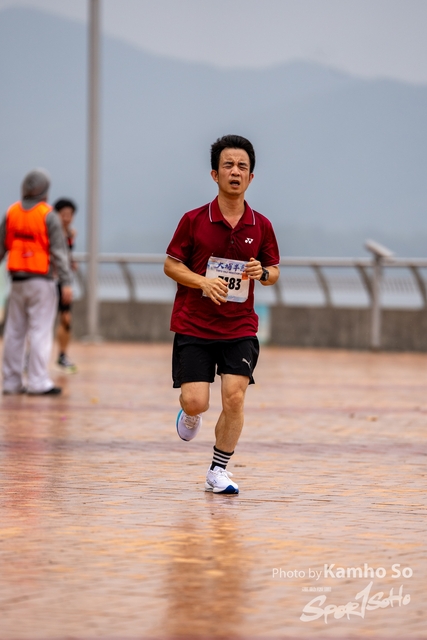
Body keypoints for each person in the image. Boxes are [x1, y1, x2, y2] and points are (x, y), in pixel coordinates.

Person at [164, 134, 280, 494]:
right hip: (194, 325)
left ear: (251, 177)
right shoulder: (194, 220)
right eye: (228, 165)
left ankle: (218, 470)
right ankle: (190, 413)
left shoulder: (261, 225)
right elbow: (171, 265)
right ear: (215, 174)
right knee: (197, 400)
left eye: (242, 166)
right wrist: (202, 282)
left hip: (239, 327)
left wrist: (263, 272)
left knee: (234, 397)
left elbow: (274, 272)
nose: (235, 171)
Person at [0, 169, 73, 395]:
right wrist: (66, 282)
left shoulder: (12, 212)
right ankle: (38, 382)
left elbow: (2, 247)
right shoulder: (48, 215)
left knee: (14, 332)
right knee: (40, 331)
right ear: (45, 192)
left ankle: (11, 382)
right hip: (41, 281)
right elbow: (59, 252)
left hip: (17, 281)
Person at [53, 198, 78, 372]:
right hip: (50, 280)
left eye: (70, 214)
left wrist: (71, 262)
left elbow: (65, 254)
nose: (67, 218)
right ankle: (29, 356)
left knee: (66, 318)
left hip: (64, 282)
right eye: (63, 214)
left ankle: (62, 355)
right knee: (42, 321)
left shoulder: (70, 234)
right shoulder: (51, 232)